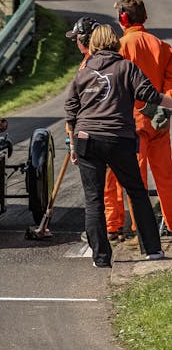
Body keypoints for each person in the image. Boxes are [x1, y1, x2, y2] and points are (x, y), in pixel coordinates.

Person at [65, 24, 172, 267]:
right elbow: (149, 94)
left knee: (93, 200)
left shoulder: (83, 72)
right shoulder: (126, 67)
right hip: (118, 138)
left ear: (92, 44)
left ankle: (101, 258)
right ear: (116, 42)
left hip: (86, 139)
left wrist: (72, 145)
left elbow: (71, 110)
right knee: (136, 192)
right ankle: (153, 250)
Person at [107, 0, 172, 234]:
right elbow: (170, 84)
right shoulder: (162, 46)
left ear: (124, 18)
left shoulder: (120, 48)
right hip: (160, 121)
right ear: (144, 17)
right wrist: (162, 110)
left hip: (131, 124)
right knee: (166, 177)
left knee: (134, 180)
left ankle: (139, 229)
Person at [66, 16, 132, 241]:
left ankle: (110, 228)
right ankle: (116, 224)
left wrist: (72, 139)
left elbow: (78, 106)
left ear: (85, 40)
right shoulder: (110, 59)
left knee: (102, 186)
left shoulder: (89, 64)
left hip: (94, 133)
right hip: (117, 130)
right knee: (114, 182)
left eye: (77, 39)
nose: (76, 43)